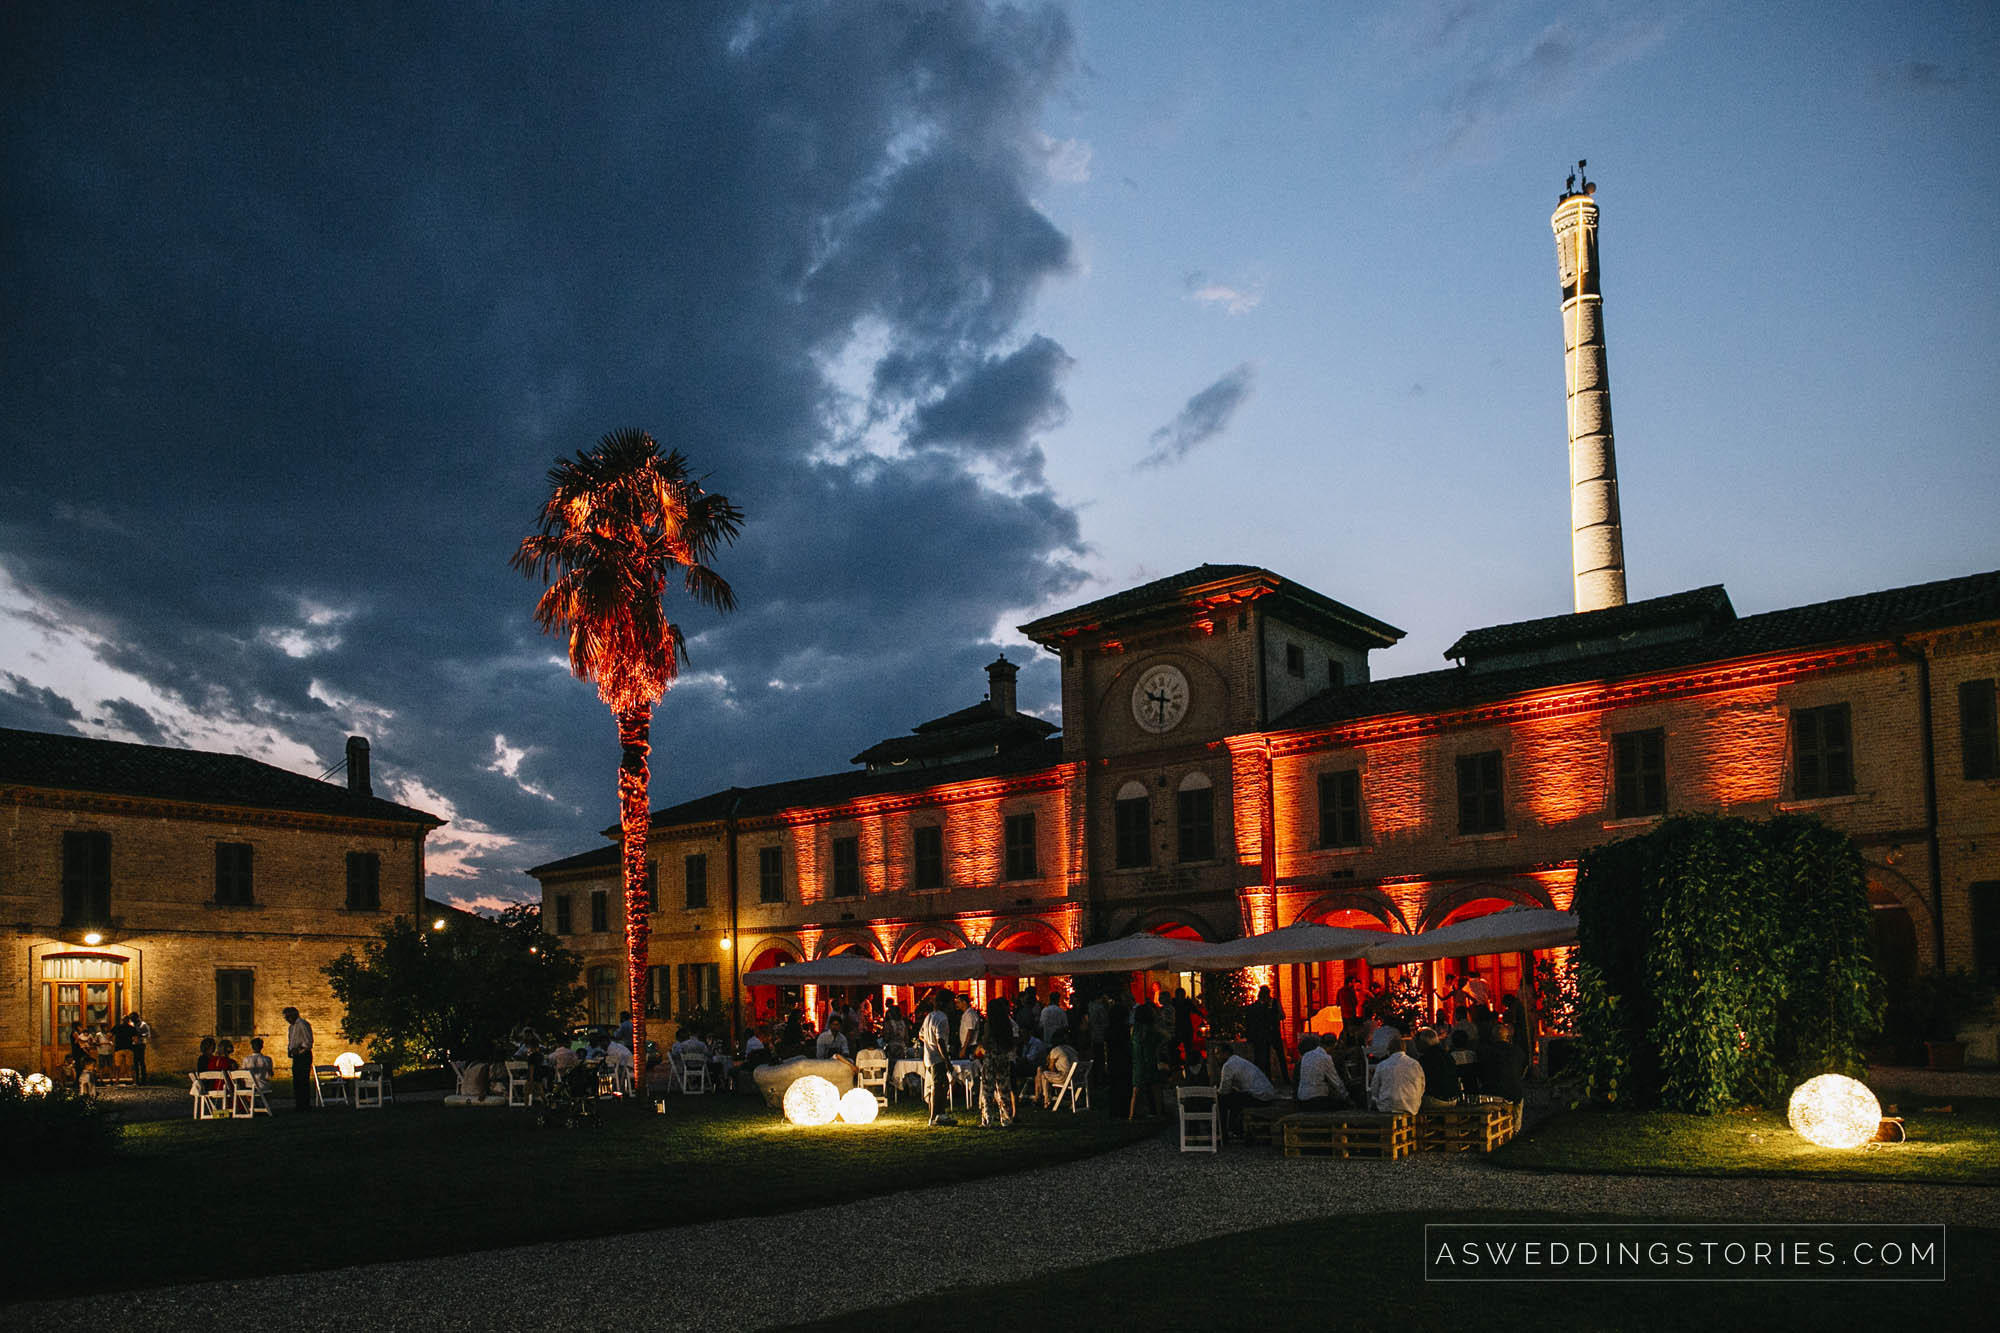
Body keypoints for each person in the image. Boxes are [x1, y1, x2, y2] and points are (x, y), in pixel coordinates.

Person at [1215, 1040, 1279, 1140]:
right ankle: (1234, 1127)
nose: (1217, 1057)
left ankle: (1223, 1133)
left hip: (1258, 1096)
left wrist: (1215, 1092)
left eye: (1218, 1053)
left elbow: (1224, 1090)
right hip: (1266, 1094)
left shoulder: (1228, 1065)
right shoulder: (1238, 1060)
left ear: (1226, 1053)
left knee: (1221, 1099)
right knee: (1234, 1098)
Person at [917, 992, 956, 1126]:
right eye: (952, 1002)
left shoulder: (929, 1016)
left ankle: (940, 1114)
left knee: (941, 1085)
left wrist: (928, 1042)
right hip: (937, 1058)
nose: (953, 1005)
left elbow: (921, 1035)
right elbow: (941, 1041)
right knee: (939, 1086)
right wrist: (947, 1061)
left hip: (928, 1056)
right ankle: (935, 1116)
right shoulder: (942, 1019)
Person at [976, 1005, 1013, 1128]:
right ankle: (1007, 1118)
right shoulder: (1007, 1026)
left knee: (987, 1089)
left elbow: (986, 1042)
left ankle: (987, 1119)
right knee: (1004, 1089)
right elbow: (1010, 1044)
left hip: (991, 1058)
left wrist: (982, 1044)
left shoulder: (989, 1025)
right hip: (1002, 1058)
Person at [1128, 1004, 1165, 1120]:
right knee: (1156, 1087)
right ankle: (1159, 1113)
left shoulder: (1134, 1030)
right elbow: (1166, 1037)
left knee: (1136, 1089)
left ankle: (1131, 1115)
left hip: (1138, 1061)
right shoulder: (1153, 1029)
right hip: (1151, 1060)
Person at [1477, 1021, 1528, 1106]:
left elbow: (1480, 1073)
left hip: (1490, 1093)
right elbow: (1523, 1070)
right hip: (1513, 1093)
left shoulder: (1485, 1052)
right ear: (1508, 1037)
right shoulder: (1517, 1051)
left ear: (1492, 1038)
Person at [1370, 1036, 1425, 1114]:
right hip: (1411, 1106)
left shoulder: (1382, 1065)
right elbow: (1422, 1086)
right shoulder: (1415, 1064)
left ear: (1389, 1050)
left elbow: (1375, 1088)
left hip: (1387, 1106)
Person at [1294, 1033, 1349, 1111]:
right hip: (1315, 1101)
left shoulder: (1306, 1055)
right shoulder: (1326, 1058)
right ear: (1333, 1046)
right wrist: (1346, 1096)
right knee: (1342, 1104)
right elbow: (1336, 1082)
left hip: (1302, 1099)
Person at [1246, 985, 1288, 1081]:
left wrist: (1274, 1017)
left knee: (1280, 1055)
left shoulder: (1274, 1003)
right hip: (1264, 1033)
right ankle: (1268, 1078)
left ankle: (1285, 1076)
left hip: (1274, 1032)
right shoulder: (1257, 1006)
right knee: (1266, 1056)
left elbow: (1282, 1015)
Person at [1414, 1028, 1460, 1107]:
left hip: (1437, 1100)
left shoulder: (1426, 1059)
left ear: (1424, 1043)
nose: (1415, 1046)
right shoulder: (1447, 1055)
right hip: (1454, 1099)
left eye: (1417, 1043)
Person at [283, 1006, 315, 1111]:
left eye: (288, 1017)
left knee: (303, 1080)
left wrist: (300, 1049)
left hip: (304, 1055)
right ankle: (299, 1104)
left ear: (294, 1015)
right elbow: (291, 1041)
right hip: (296, 1056)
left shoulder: (302, 1024)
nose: (287, 1019)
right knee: (297, 1080)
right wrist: (290, 1050)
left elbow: (308, 1041)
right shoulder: (291, 1027)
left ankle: (305, 1104)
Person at [1035, 1041, 1079, 1109]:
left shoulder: (1055, 1050)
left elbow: (1052, 1069)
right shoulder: (1070, 1049)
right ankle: (1042, 1097)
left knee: (1044, 1075)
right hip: (1077, 1078)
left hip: (1066, 1078)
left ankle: (1046, 1100)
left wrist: (1048, 1063)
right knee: (1044, 1073)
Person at [130, 1012, 153, 1081]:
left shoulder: (143, 1025)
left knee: (142, 1061)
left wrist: (140, 1035)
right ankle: (136, 1079)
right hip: (133, 1044)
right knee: (135, 1062)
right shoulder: (131, 1025)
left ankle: (143, 1078)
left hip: (141, 1044)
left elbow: (148, 1034)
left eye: (133, 1018)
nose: (132, 1020)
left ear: (137, 1017)